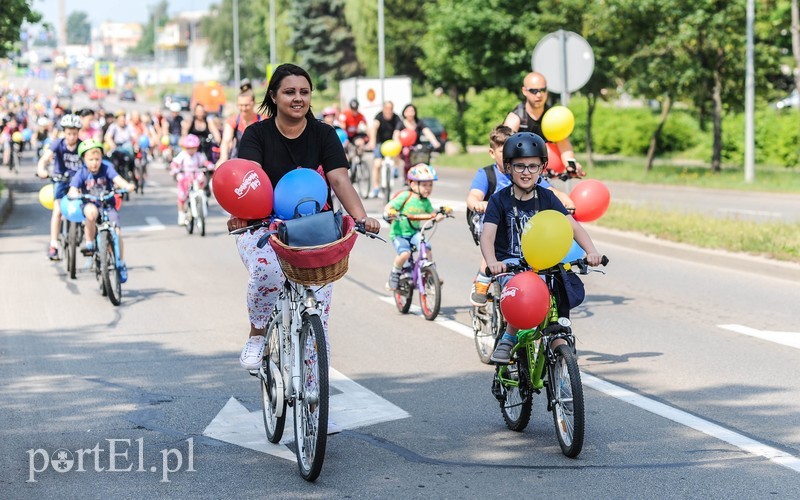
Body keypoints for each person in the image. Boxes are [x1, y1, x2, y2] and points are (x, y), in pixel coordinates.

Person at [228, 63, 381, 370]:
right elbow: (249, 181)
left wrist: (362, 218)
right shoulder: (256, 134)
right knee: (268, 273)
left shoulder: (324, 133)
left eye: (304, 92)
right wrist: (241, 215)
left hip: (314, 228)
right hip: (264, 225)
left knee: (318, 320)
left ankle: (314, 409)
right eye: (289, 92)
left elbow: (339, 180)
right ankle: (257, 334)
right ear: (273, 96)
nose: (297, 98)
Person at [481, 132, 602, 364]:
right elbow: (487, 236)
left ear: (542, 168)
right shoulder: (499, 200)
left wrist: (591, 252)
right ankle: (508, 337)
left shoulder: (547, 197)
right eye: (520, 166)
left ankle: (562, 367)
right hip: (513, 264)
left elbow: (573, 227)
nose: (526, 172)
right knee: (526, 288)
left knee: (561, 292)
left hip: (545, 262)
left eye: (533, 166)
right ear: (508, 167)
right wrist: (493, 262)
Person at [466, 125, 576, 306]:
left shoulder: (529, 174)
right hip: (489, 220)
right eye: (501, 152)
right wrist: (477, 203)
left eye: (532, 166)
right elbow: (474, 196)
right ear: (494, 154)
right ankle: (483, 276)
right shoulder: (487, 174)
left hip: (525, 228)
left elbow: (551, 191)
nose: (526, 171)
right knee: (494, 239)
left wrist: (567, 200)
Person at [67, 139, 135, 282]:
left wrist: (127, 185)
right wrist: (73, 193)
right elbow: (73, 188)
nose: (94, 162)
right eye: (90, 159)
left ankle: (120, 263)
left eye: (97, 159)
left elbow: (117, 179)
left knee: (116, 233)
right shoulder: (82, 173)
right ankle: (90, 241)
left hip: (107, 205)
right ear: (84, 159)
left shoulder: (107, 168)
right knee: (90, 213)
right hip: (91, 204)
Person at [383, 163, 449, 290]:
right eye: (424, 185)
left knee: (426, 249)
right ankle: (395, 274)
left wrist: (439, 216)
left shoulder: (425, 202)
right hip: (399, 233)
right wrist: (391, 212)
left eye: (430, 185)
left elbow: (432, 214)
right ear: (413, 184)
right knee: (405, 254)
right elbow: (389, 207)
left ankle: (430, 274)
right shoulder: (405, 196)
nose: (428, 188)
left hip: (414, 233)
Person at [503, 71, 584, 175]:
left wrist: (572, 166)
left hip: (545, 174)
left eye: (543, 90)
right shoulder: (515, 118)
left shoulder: (553, 117)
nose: (539, 95)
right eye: (533, 91)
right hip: (520, 175)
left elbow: (563, 144)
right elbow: (504, 150)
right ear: (524, 91)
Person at [36, 114, 83, 260]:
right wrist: (41, 170)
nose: (71, 137)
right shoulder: (58, 144)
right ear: (64, 132)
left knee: (85, 206)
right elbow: (44, 158)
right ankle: (54, 245)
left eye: (74, 133)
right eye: (69, 133)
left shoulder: (82, 146)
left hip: (77, 181)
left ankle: (89, 240)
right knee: (57, 211)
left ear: (78, 133)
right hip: (60, 180)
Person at [169, 134, 213, 225]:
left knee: (202, 178)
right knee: (182, 195)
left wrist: (210, 166)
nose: (191, 150)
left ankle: (202, 197)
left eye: (193, 148)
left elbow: (205, 162)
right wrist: (175, 168)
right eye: (189, 148)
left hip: (195, 175)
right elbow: (175, 163)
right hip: (185, 175)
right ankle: (181, 215)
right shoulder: (183, 155)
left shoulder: (198, 155)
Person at [216, 83, 264, 165]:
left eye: (246, 105)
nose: (243, 108)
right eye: (240, 105)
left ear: (254, 103)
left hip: (260, 161)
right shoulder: (234, 120)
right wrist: (223, 158)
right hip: (239, 161)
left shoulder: (263, 120)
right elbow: (226, 141)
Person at [367, 101, 402, 198]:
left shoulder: (396, 118)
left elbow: (397, 131)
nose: (388, 111)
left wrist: (397, 142)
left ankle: (395, 168)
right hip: (380, 143)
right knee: (377, 164)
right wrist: (372, 141)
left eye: (390, 109)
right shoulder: (379, 116)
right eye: (386, 109)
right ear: (383, 109)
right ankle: (376, 188)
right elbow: (374, 128)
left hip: (391, 143)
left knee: (397, 150)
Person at [398, 103, 441, 178]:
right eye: (408, 111)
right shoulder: (401, 123)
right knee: (406, 156)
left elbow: (427, 131)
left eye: (412, 111)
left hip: (417, 147)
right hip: (405, 148)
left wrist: (434, 142)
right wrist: (398, 145)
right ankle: (407, 178)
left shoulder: (419, 122)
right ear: (404, 113)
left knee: (423, 160)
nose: (410, 113)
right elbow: (396, 135)